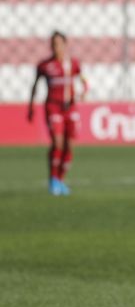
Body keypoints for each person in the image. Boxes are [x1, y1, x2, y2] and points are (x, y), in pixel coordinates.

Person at [28, 31, 88, 196]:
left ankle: (60, 180)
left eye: (59, 43)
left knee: (69, 145)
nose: (56, 47)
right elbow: (34, 86)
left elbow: (84, 80)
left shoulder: (73, 64)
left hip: (70, 108)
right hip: (53, 107)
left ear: (65, 45)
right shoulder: (44, 65)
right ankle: (53, 180)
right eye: (53, 44)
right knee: (58, 142)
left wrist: (84, 91)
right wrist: (31, 106)